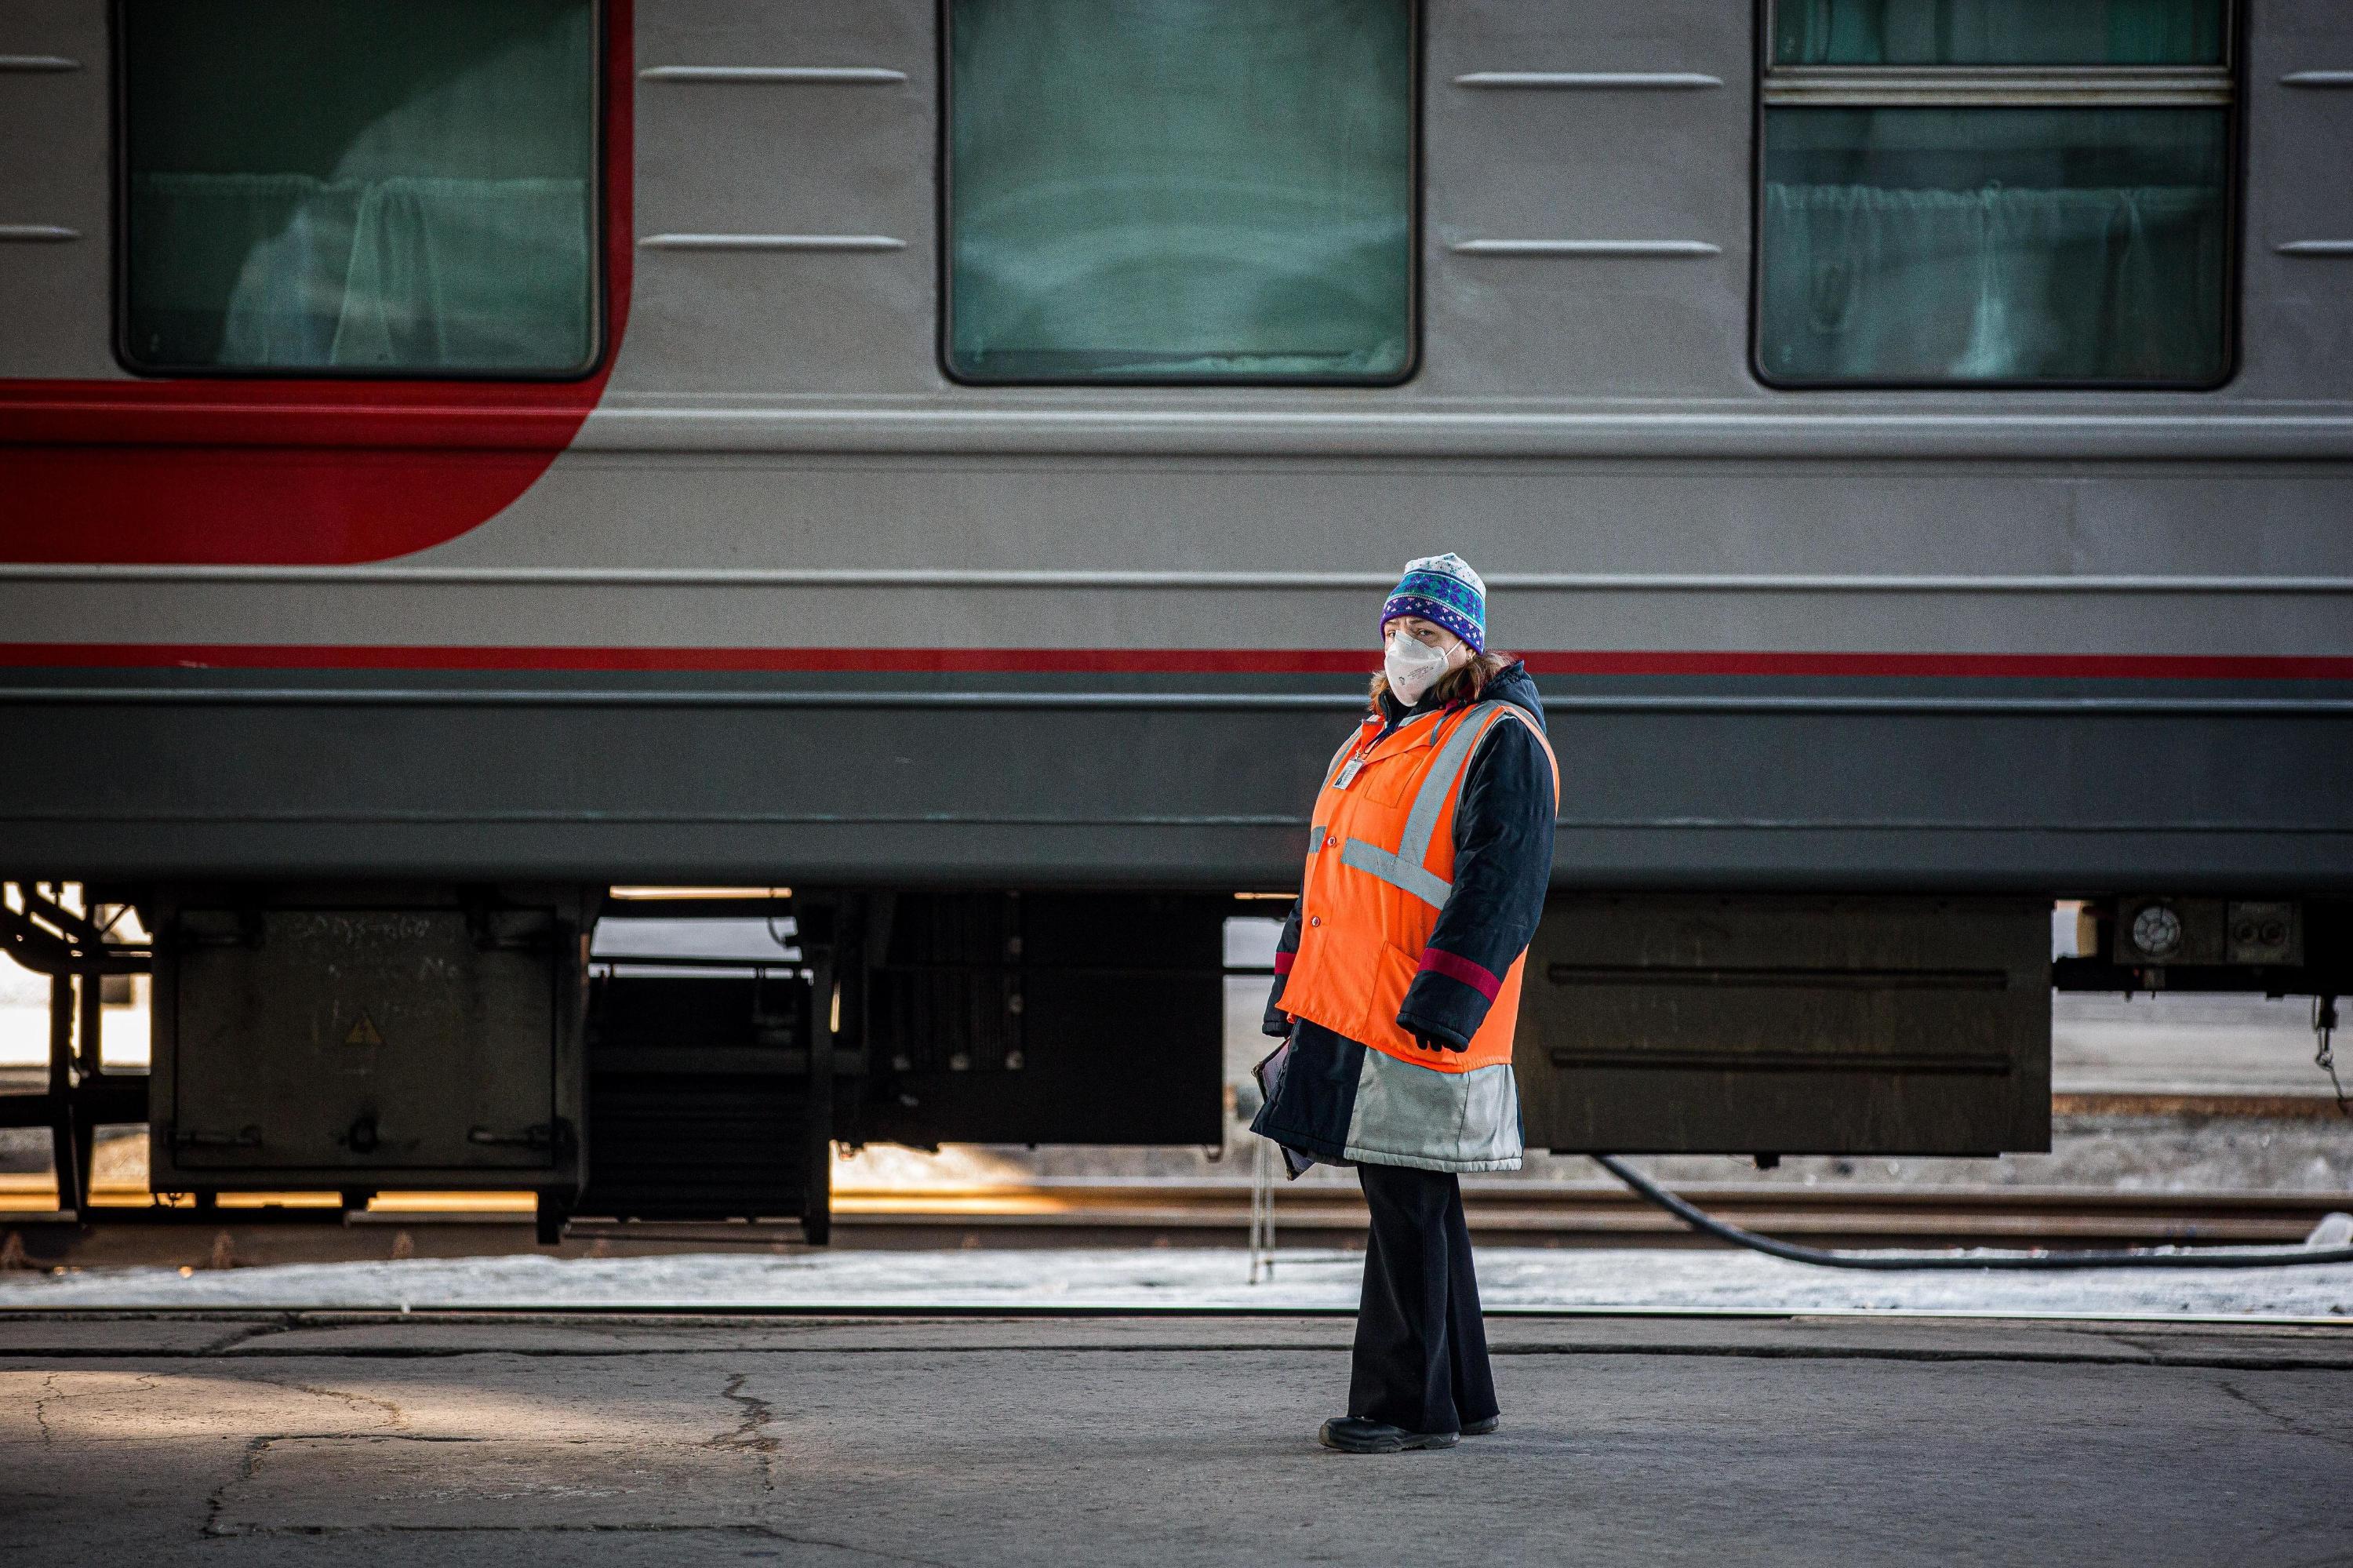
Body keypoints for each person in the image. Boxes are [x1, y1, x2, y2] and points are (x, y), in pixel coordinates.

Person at [1250, 551, 1558, 1453]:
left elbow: (1503, 883)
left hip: (1417, 1012)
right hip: (1353, 1007)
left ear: (1465, 645)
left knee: (1406, 1199)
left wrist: (1450, 1000)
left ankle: (1400, 1407)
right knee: (1415, 1193)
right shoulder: (1375, 737)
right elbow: (1328, 876)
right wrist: (1290, 992)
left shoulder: (1499, 737)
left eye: (1424, 634)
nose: (1404, 649)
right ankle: (1461, 1394)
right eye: (1394, 632)